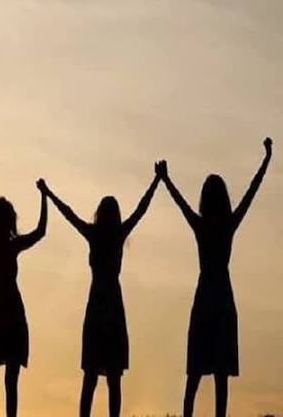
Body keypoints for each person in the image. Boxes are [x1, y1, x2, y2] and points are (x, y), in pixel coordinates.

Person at [156, 137, 272, 417]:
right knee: (219, 373)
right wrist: (267, 158)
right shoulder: (228, 224)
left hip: (206, 296)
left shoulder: (201, 224)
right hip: (222, 296)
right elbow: (252, 191)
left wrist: (165, 179)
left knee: (195, 371)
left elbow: (181, 203)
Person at [40, 170, 160, 417]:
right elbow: (141, 209)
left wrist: (48, 193)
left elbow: (69, 214)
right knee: (112, 377)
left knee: (92, 376)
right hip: (111, 304)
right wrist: (157, 181)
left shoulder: (95, 234)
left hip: (98, 304)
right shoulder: (117, 234)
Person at [0, 173, 48, 417]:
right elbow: (41, 231)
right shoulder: (10, 244)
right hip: (10, 313)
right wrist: (44, 196)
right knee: (8, 382)